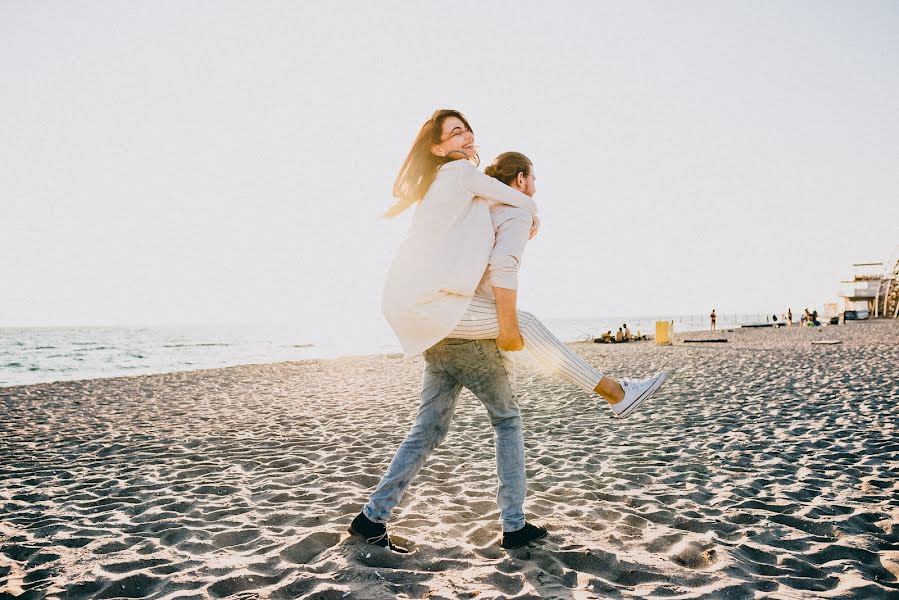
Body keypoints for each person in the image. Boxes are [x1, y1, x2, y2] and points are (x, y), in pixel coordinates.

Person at [350, 109, 666, 552]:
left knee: (428, 428)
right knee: (511, 401)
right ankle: (612, 395)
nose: (466, 136)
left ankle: (372, 518)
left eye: (467, 129)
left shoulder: (463, 197)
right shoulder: (465, 176)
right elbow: (505, 259)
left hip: (422, 315)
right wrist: (530, 218)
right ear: (439, 148)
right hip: (436, 311)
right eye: (455, 132)